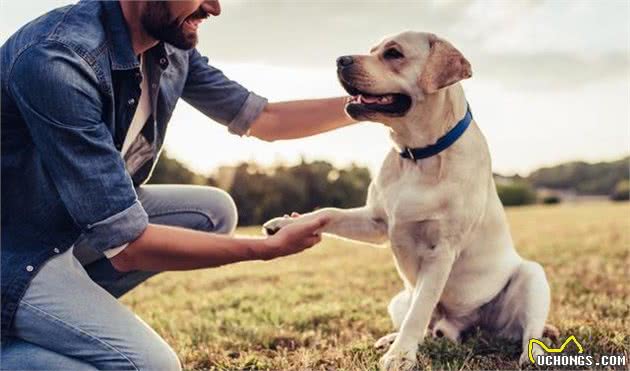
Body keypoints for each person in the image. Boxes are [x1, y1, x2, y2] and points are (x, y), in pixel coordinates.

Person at [0, 1, 355, 369]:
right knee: (152, 366)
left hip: (66, 226)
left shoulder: (165, 44)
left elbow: (267, 119)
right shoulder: (58, 58)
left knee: (213, 212)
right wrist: (264, 249)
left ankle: (44, 320)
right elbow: (129, 246)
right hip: (17, 250)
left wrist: (369, 103)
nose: (214, 8)